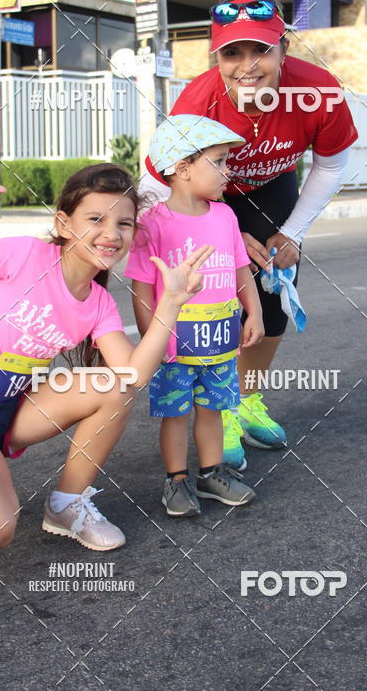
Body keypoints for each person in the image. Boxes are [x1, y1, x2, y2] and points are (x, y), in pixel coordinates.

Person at [0, 162, 213, 552]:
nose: (111, 233)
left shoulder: (100, 303)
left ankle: (67, 505)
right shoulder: (25, 255)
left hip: (15, 411)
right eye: (95, 219)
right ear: (64, 223)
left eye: (124, 224)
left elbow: (135, 375)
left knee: (117, 388)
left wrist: (170, 303)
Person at [140, 0, 358, 467]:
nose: (248, 65)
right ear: (215, 56)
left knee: (276, 293)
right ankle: (219, 408)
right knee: (220, 303)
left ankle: (247, 398)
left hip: (274, 189)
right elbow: (160, 184)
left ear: (285, 48)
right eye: (232, 52)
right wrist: (220, 233)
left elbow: (332, 166)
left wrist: (293, 232)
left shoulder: (319, 91)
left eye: (262, 48)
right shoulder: (198, 100)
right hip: (206, 196)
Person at [124, 115, 264, 515]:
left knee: (214, 409)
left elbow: (240, 270)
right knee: (175, 414)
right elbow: (142, 289)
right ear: (182, 169)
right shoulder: (152, 225)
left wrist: (253, 312)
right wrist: (154, 339)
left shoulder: (225, 216)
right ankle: (176, 481)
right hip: (174, 344)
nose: (228, 170)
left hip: (221, 339)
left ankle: (210, 474)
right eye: (219, 161)